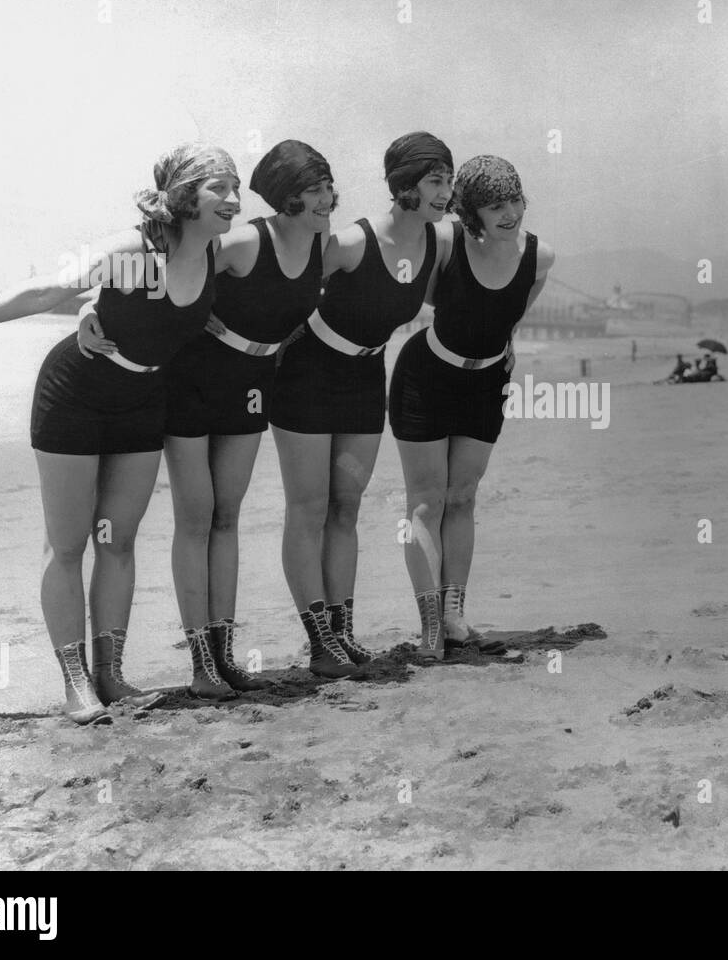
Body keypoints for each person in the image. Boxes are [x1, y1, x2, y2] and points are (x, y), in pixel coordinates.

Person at [0, 142, 236, 724]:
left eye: (236, 187)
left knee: (118, 541)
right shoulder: (134, 250)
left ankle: (111, 677)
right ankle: (75, 684)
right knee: (67, 546)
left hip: (142, 402)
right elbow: (49, 288)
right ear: (187, 196)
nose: (234, 200)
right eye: (221, 188)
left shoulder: (217, 252)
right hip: (75, 396)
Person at [79, 140, 338, 695]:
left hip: (251, 385)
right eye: (314, 188)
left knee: (228, 517)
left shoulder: (322, 244)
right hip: (191, 377)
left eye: (328, 187)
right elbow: (156, 271)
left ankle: (223, 657)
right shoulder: (240, 240)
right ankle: (200, 665)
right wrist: (86, 310)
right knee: (196, 519)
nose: (328, 198)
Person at [271, 132, 456, 667]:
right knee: (307, 509)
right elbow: (287, 289)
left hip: (365, 378)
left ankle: (341, 631)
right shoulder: (352, 242)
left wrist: (504, 346)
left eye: (449, 180)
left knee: (345, 509)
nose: (446, 192)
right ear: (404, 187)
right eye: (435, 181)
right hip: (307, 375)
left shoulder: (435, 243)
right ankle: (319, 643)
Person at [389, 155, 554, 658]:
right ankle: (431, 627)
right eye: (494, 206)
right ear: (471, 213)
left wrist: (501, 357)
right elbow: (414, 294)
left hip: (486, 385)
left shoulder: (540, 258)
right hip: (425, 378)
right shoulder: (445, 243)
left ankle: (455, 615)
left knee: (462, 497)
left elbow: (509, 319)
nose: (509, 213)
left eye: (515, 201)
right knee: (426, 500)